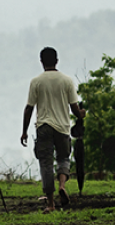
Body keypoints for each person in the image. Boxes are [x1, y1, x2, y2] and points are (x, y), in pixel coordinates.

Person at [21, 47, 85, 213]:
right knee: (63, 157)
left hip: (43, 126)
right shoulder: (67, 80)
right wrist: (81, 115)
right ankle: (62, 185)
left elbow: (29, 108)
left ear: (41, 61)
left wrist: (24, 131)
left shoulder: (36, 81)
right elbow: (74, 108)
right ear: (57, 60)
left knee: (46, 163)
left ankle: (50, 203)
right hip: (63, 127)